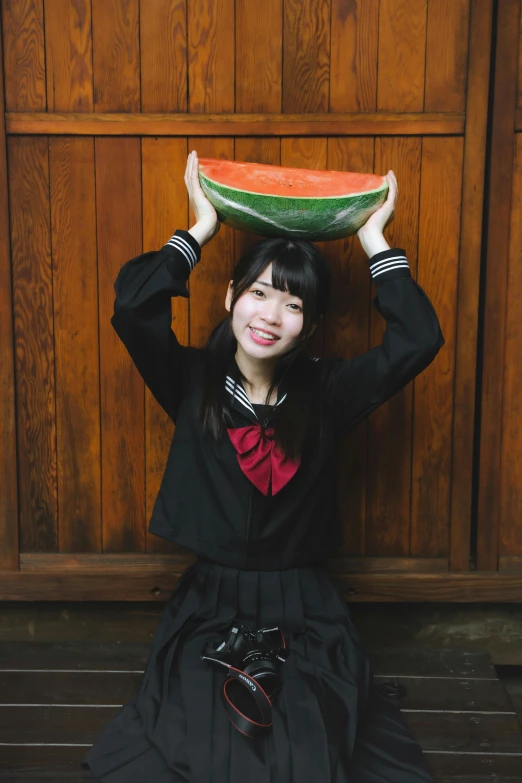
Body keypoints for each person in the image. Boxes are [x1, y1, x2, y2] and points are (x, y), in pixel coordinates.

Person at [83, 150, 444, 782]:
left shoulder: (329, 393)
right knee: (201, 739)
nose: (271, 316)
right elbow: (133, 309)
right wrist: (199, 229)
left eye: (294, 305)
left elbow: (417, 341)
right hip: (210, 604)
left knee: (304, 743)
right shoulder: (191, 381)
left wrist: (373, 238)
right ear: (230, 297)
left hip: (304, 609)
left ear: (310, 326)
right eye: (259, 292)